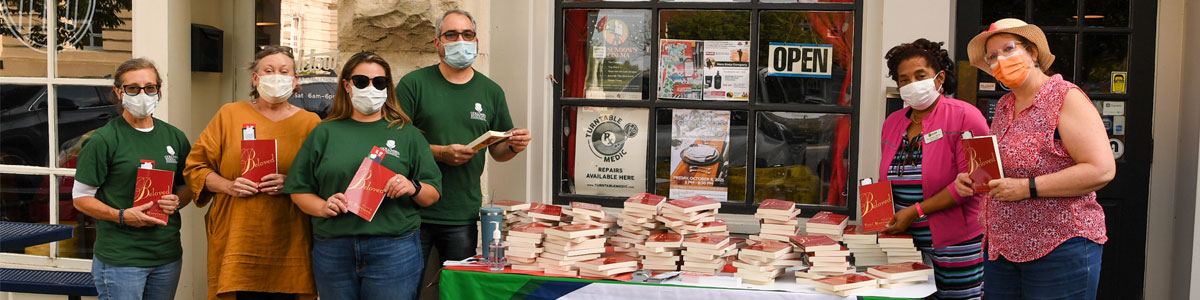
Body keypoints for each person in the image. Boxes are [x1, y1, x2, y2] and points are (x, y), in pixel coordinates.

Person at [959, 18, 1114, 300]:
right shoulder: (1006, 104)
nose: (1000, 61)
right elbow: (1004, 167)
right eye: (992, 57)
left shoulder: (1065, 97)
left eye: (1008, 49)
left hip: (1059, 247)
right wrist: (974, 179)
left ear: (1032, 52)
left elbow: (1101, 170)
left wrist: (1027, 188)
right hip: (1002, 250)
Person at [283, 51, 442, 300]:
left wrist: (412, 187)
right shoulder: (324, 132)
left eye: (379, 82)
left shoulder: (407, 134)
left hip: (393, 248)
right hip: (334, 248)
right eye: (361, 81)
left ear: (388, 87)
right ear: (346, 85)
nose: (371, 87)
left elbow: (432, 193)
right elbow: (299, 189)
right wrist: (324, 206)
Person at [395, 8, 532, 263]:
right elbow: (394, 143)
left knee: (457, 289)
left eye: (468, 34)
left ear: (476, 41)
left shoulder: (491, 91)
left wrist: (513, 146)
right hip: (413, 210)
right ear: (438, 43)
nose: (461, 41)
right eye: (452, 35)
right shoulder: (414, 84)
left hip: (461, 214)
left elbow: (498, 152)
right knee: (406, 289)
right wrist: (440, 153)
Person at [184, 46, 320, 300]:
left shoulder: (310, 123)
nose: (276, 76)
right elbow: (195, 168)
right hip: (238, 238)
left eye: (283, 71)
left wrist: (291, 183)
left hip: (290, 240)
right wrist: (228, 185)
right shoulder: (229, 115)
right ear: (256, 79)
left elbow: (323, 179)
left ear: (294, 80)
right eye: (268, 71)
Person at [71, 58, 192, 300]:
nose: (143, 94)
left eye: (150, 87)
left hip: (166, 256)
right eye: (133, 88)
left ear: (159, 90)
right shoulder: (103, 140)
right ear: (118, 92)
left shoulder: (174, 137)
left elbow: (187, 186)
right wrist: (122, 216)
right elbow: (81, 198)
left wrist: (177, 201)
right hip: (121, 260)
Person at [878, 38, 988, 300]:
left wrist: (915, 212)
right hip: (904, 244)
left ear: (939, 78)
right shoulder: (892, 122)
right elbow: (888, 176)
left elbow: (981, 178)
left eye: (920, 75)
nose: (912, 84)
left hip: (955, 244)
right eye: (904, 79)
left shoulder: (968, 115)